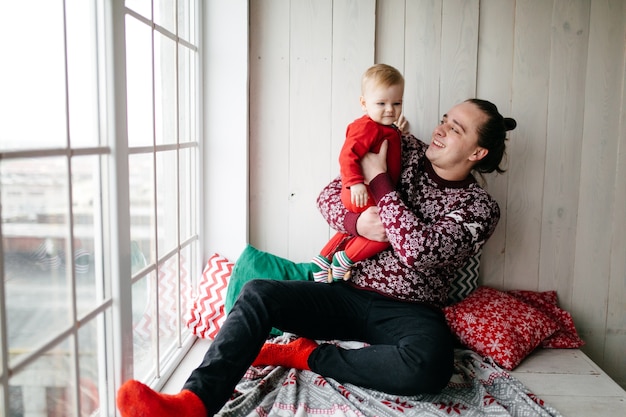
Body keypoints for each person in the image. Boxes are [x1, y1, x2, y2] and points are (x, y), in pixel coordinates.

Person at [116, 98, 517, 417]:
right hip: (346, 289)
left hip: (411, 311)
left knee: (431, 367)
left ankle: (305, 354)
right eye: (445, 118)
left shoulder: (479, 208)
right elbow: (328, 195)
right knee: (258, 293)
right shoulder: (399, 149)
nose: (441, 128)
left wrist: (379, 181)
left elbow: (420, 251)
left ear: (478, 151)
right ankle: (193, 404)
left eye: (456, 128)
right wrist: (357, 226)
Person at [311, 63, 405, 282]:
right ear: (364, 103)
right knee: (387, 231)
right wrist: (356, 183)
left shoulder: (383, 127)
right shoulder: (367, 127)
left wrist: (400, 132)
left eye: (397, 103)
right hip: (362, 191)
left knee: (358, 228)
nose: (390, 109)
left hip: (364, 191)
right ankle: (345, 259)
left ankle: (323, 259)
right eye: (381, 103)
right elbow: (347, 155)